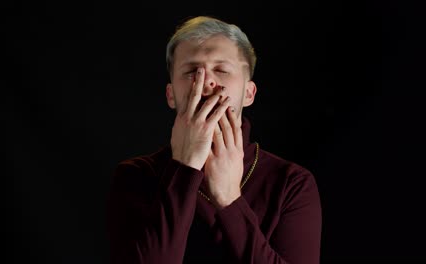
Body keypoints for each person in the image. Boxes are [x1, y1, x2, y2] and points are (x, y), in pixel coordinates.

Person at [107, 15, 322, 264]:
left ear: (249, 93)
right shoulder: (135, 176)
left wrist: (230, 200)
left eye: (221, 69)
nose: (207, 80)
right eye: (190, 71)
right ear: (171, 95)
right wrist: (184, 169)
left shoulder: (291, 183)